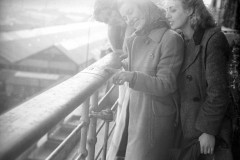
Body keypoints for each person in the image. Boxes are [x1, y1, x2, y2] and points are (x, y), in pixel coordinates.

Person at [106, 0, 184, 159]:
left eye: (130, 12)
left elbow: (166, 84)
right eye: (125, 17)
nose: (129, 19)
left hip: (154, 122)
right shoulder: (135, 39)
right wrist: (121, 65)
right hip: (136, 116)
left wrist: (132, 76)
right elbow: (140, 65)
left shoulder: (171, 38)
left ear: (144, 6)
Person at [165, 0, 233, 159]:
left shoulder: (213, 39)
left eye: (172, 10)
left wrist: (208, 130)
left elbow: (218, 92)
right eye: (166, 10)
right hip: (186, 127)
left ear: (190, 10)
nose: (167, 15)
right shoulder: (181, 40)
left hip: (206, 134)